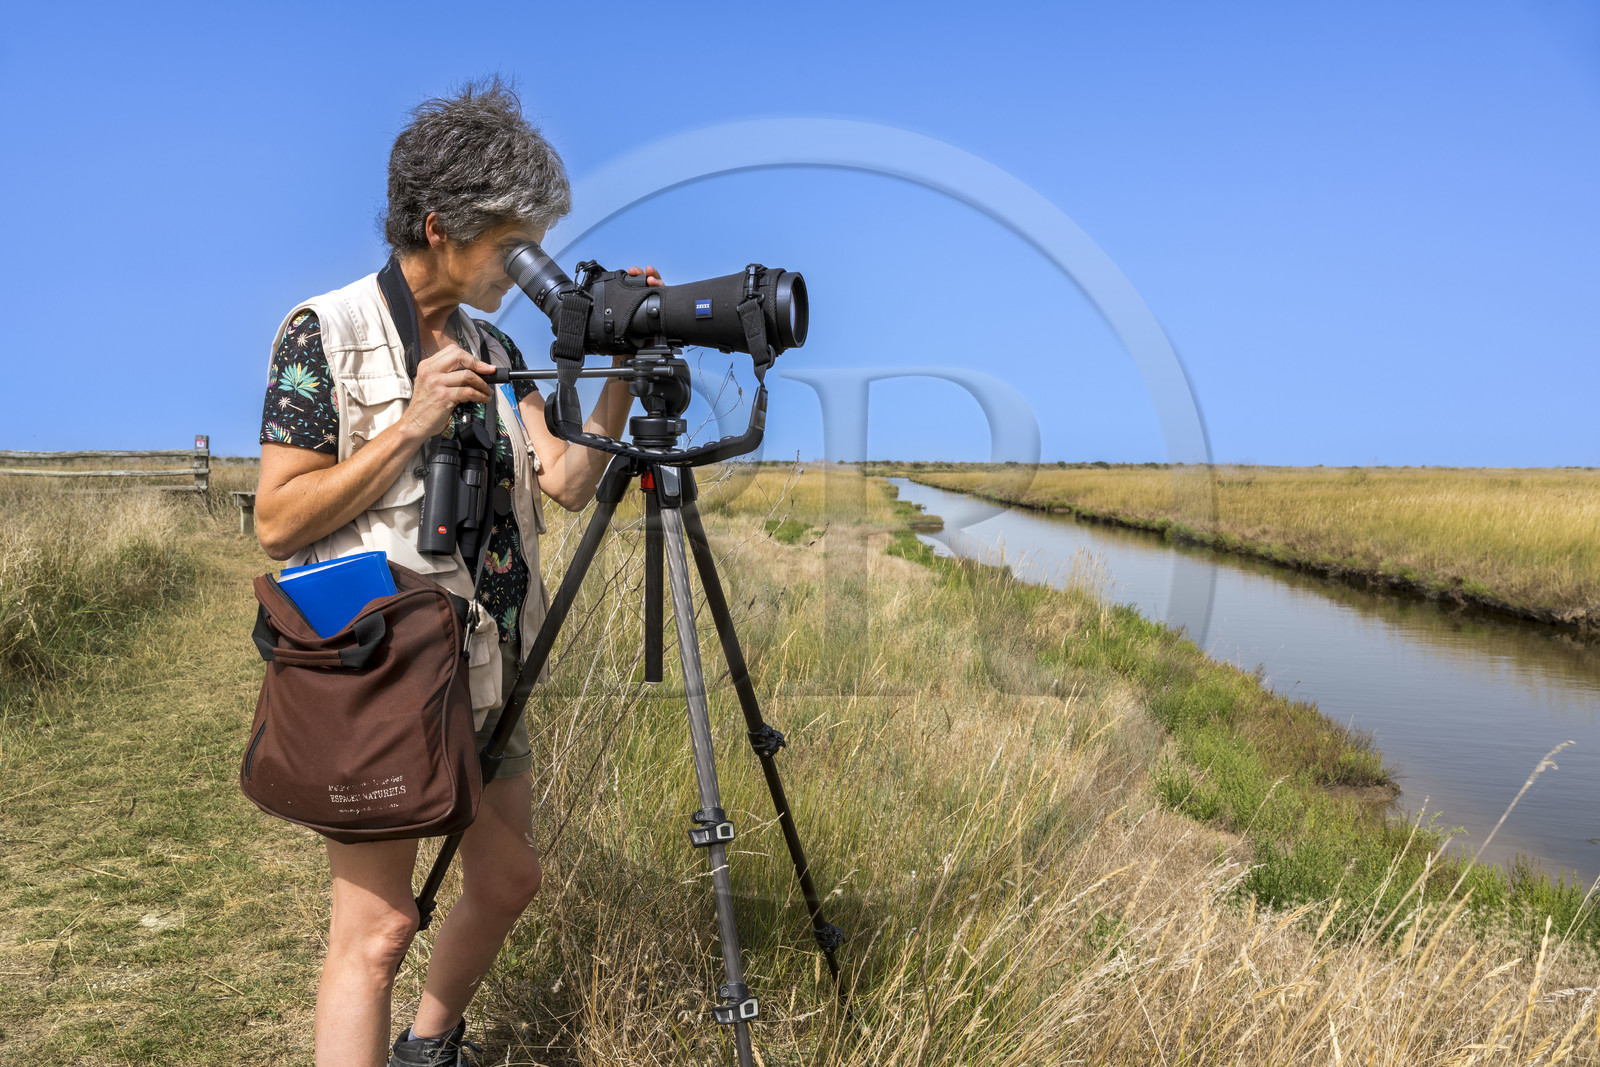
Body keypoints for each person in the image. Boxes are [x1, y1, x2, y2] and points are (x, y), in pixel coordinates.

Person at [254, 79, 659, 1067]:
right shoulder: (325, 331)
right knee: (379, 927)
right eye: (508, 245)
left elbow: (562, 480)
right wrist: (414, 422)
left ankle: (428, 1046)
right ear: (439, 228)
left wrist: (614, 381)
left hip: (486, 670)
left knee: (509, 877)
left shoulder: (495, 345)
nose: (523, 271)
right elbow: (278, 519)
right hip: (382, 668)